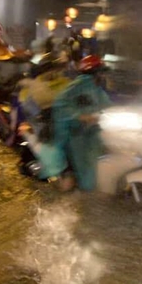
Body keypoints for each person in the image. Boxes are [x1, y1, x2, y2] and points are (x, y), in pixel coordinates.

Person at [52, 55, 111, 191]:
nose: (102, 75)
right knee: (87, 167)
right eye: (100, 72)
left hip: (94, 131)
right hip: (78, 135)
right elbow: (60, 104)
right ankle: (86, 193)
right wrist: (79, 116)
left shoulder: (98, 89)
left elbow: (108, 106)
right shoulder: (78, 86)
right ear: (95, 73)